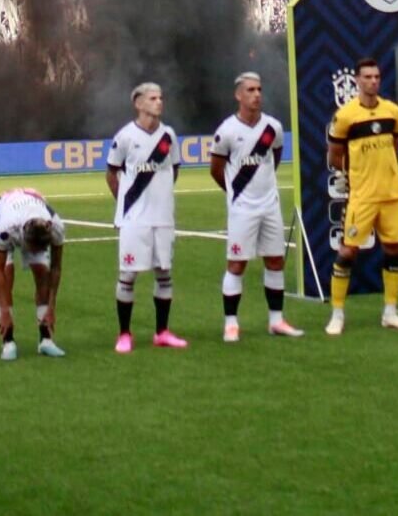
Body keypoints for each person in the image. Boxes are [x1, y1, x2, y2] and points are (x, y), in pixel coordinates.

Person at [208, 71, 301, 341]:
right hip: (242, 209)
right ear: (239, 95)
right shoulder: (226, 131)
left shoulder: (273, 127)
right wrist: (234, 191)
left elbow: (276, 157)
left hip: (270, 206)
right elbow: (216, 169)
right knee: (237, 264)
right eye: (250, 90)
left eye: (259, 89)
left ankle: (276, 320)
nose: (256, 95)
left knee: (275, 261)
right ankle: (231, 324)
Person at [325, 57, 398, 335]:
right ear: (358, 81)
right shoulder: (345, 116)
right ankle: (337, 314)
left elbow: (395, 146)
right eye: (367, 77)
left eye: (376, 76)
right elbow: (334, 154)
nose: (373, 81)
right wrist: (348, 176)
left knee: (393, 250)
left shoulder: (393, 112)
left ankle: (390, 312)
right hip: (362, 196)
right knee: (348, 250)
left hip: (391, 194)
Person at [106, 83, 188, 353]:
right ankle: (124, 334)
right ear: (139, 104)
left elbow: (173, 171)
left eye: (161, 97)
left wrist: (160, 197)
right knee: (128, 275)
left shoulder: (169, 136)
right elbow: (111, 173)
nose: (159, 102)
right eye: (152, 98)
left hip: (163, 218)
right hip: (134, 220)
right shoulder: (125, 137)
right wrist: (126, 204)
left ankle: (162, 332)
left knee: (164, 273)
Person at [0, 187, 67, 360]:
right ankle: (8, 341)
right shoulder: (7, 229)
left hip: (32, 211)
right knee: (7, 272)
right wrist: (4, 311)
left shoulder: (56, 228)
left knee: (42, 272)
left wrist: (52, 307)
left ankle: (46, 340)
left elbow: (56, 267)